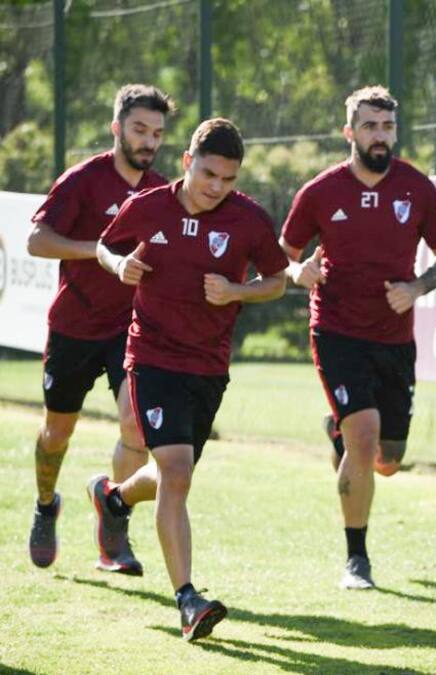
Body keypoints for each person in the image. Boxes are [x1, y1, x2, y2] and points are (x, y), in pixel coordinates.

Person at [94, 118, 289, 641]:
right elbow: (105, 245)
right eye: (208, 174)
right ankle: (187, 599)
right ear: (187, 162)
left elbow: (276, 281)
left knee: (171, 474)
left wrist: (237, 291)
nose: (216, 187)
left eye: (228, 179)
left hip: (208, 367)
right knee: (177, 472)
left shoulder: (249, 219)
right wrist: (119, 266)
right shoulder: (149, 205)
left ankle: (113, 499)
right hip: (152, 358)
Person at [280, 86, 436, 590]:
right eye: (369, 127)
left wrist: (416, 288)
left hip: (394, 339)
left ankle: (338, 433)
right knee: (363, 437)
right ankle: (356, 559)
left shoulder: (417, 188)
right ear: (349, 133)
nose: (379, 136)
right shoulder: (320, 192)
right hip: (336, 331)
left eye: (387, 127)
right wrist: (298, 272)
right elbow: (282, 255)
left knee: (388, 460)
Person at [25, 84, 173, 574]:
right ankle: (46, 505)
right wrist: (101, 252)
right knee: (56, 432)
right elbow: (37, 241)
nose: (148, 141)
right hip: (74, 326)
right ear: (116, 128)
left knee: (134, 425)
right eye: (139, 130)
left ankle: (114, 529)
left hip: (132, 330)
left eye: (157, 133)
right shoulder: (83, 180)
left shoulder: (162, 191)